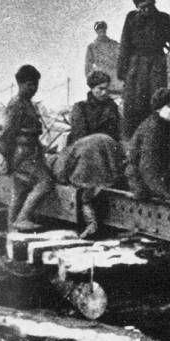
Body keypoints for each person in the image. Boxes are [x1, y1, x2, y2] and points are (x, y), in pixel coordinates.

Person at [53, 71, 124, 237]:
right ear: (92, 88)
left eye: (106, 89)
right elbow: (79, 136)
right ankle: (90, 221)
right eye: (100, 89)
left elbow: (118, 134)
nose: (104, 92)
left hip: (106, 152)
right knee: (88, 175)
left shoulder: (112, 107)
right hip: (85, 152)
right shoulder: (80, 108)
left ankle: (94, 222)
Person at [0, 65, 54, 231]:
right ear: (20, 84)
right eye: (29, 84)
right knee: (46, 182)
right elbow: (7, 135)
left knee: (20, 191)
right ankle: (23, 218)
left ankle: (11, 229)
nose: (33, 88)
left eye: (35, 84)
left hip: (30, 150)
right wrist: (6, 159)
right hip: (22, 153)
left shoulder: (27, 103)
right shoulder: (17, 105)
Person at [117, 0, 170, 139]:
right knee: (134, 103)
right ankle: (132, 141)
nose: (148, 9)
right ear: (137, 7)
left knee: (157, 100)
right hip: (137, 67)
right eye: (143, 7)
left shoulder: (164, 19)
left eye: (150, 5)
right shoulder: (131, 18)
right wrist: (123, 73)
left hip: (157, 65)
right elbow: (125, 45)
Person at [85, 21, 122, 96]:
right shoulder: (92, 47)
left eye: (103, 28)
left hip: (115, 79)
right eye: (99, 29)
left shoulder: (115, 44)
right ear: (96, 31)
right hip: (102, 79)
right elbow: (88, 66)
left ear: (106, 29)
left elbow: (122, 60)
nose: (101, 31)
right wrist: (92, 83)